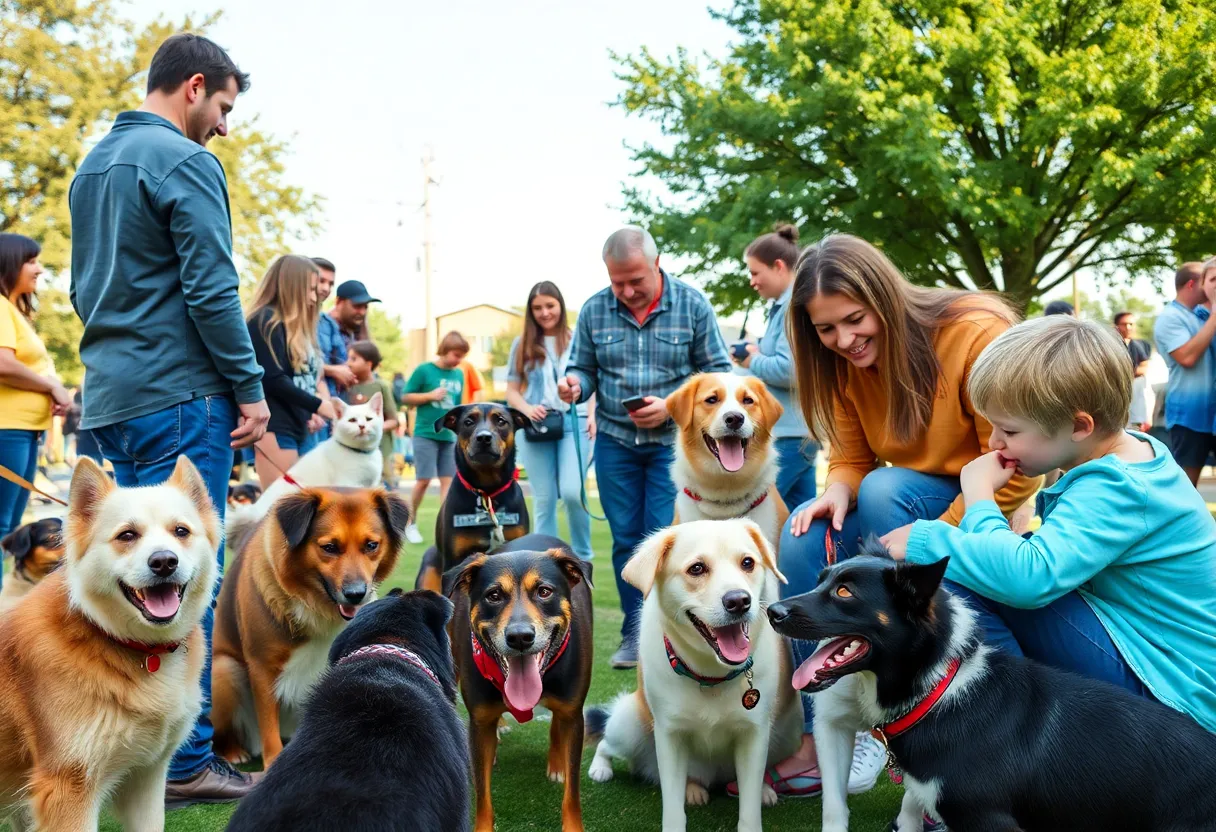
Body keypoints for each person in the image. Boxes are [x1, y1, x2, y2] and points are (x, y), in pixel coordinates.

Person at [761, 234, 1040, 808]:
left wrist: (938, 533)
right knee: (805, 536)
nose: (844, 340)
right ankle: (827, 730)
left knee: (886, 491)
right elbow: (852, 456)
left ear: (885, 299)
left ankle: (934, 731)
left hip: (986, 501)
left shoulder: (973, 332)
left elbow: (1017, 466)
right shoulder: (840, 363)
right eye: (826, 329)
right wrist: (836, 491)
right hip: (910, 502)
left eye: (855, 320)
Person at [67, 33, 269, 804]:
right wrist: (249, 388)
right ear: (194, 86)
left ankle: (116, 742)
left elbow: (83, 291)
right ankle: (184, 765)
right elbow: (212, 289)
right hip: (180, 394)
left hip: (109, 394)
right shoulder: (185, 161)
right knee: (181, 573)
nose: (224, 126)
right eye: (223, 106)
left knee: (115, 577)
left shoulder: (93, 165)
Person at [890, 315, 1216, 736]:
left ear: (1079, 426)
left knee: (971, 574)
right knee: (981, 565)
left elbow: (1027, 578)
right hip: (1156, 662)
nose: (994, 443)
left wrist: (967, 507)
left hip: (1172, 690)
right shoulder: (1131, 455)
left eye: (1009, 430)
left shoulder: (1116, 487)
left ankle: (1011, 732)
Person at [558, 226, 731, 669]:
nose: (627, 291)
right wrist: (576, 383)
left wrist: (672, 406)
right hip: (615, 441)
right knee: (624, 540)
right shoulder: (594, 309)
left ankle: (669, 632)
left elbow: (719, 374)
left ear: (656, 264)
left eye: (635, 280)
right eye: (617, 282)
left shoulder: (692, 304)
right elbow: (583, 367)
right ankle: (634, 634)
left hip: (673, 448)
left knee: (665, 538)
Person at [506, 281, 596, 561]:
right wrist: (527, 408)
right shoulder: (522, 344)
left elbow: (592, 379)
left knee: (572, 492)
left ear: (560, 306)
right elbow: (511, 391)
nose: (544, 313)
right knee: (544, 498)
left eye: (550, 306)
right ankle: (543, 561)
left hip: (575, 421)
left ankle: (582, 557)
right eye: (537, 308)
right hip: (537, 425)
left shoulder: (578, 338)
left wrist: (593, 414)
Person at [736, 224, 819, 509]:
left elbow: (790, 370)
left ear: (779, 266)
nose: (752, 281)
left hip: (787, 436)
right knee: (800, 520)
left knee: (749, 512)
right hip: (798, 433)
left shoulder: (791, 307)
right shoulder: (787, 306)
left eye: (755, 272)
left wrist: (750, 360)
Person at [0, 234, 70, 562]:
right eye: (30, 261)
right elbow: (3, 364)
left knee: (10, 528)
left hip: (23, 431)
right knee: (3, 526)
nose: (39, 269)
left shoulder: (13, 311)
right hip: (7, 429)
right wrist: (50, 387)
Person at [246, 255, 337, 489]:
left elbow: (304, 378)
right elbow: (273, 378)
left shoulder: (298, 328)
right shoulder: (265, 320)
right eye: (311, 289)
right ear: (293, 286)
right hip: (276, 426)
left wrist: (311, 409)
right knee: (281, 503)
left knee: (307, 503)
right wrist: (320, 405)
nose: (315, 297)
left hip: (302, 427)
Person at [1153, 261, 1216, 486]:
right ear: (1192, 284)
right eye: (1209, 280)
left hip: (1212, 416)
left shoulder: (1201, 315)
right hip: (1189, 416)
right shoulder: (1170, 317)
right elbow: (1187, 357)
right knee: (1186, 486)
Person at [401, 331, 468, 544]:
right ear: (445, 350)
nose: (458, 360)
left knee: (448, 482)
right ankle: (409, 523)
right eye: (456, 355)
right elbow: (405, 396)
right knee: (423, 480)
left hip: (449, 436)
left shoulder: (459, 374)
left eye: (461, 356)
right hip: (426, 433)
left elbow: (458, 405)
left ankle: (446, 526)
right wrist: (430, 396)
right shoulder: (424, 370)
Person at [307, 256, 356, 448]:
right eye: (321, 281)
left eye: (330, 283)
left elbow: (343, 363)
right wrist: (332, 370)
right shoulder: (289, 319)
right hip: (303, 404)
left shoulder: (328, 324)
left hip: (328, 405)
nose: (326, 288)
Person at [346, 340, 400, 488]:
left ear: (369, 364)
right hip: (356, 449)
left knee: (386, 487)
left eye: (354, 359)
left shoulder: (380, 386)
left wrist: (372, 427)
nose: (348, 363)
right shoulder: (347, 387)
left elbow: (393, 420)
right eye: (348, 358)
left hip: (381, 449)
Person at [1115, 311, 1153, 431]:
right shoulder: (1111, 346)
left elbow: (1144, 368)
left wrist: (1126, 372)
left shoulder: (1141, 345)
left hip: (1136, 398)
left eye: (1131, 324)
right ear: (1116, 326)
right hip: (1117, 398)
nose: (1128, 327)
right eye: (1124, 324)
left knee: (1136, 431)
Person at [330, 279, 377, 350]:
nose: (363, 312)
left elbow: (368, 354)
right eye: (357, 306)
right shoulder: (324, 328)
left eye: (365, 307)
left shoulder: (353, 330)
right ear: (338, 302)